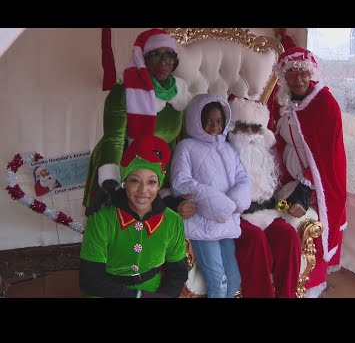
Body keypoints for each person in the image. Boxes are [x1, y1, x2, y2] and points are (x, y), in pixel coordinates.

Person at [268, 47, 347, 298]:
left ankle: (309, 286)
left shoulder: (325, 103)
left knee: (298, 219)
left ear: (311, 73)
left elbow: (326, 156)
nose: (299, 78)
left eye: (303, 73)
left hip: (317, 184)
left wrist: (306, 185)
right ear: (284, 76)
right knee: (274, 211)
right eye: (292, 73)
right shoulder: (279, 100)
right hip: (289, 179)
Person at [83, 28, 189, 216]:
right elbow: (113, 139)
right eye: (155, 55)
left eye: (169, 56)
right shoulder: (124, 90)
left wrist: (170, 181)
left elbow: (171, 142)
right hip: (121, 162)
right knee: (116, 226)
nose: (163, 62)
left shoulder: (179, 93)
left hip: (155, 167)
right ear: (144, 59)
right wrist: (111, 183)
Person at [79, 135, 189, 298]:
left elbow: (177, 273)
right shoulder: (102, 217)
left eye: (151, 182)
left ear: (159, 185)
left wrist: (164, 296)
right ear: (125, 182)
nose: (143, 190)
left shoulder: (172, 221)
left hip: (153, 290)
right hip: (105, 292)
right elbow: (90, 280)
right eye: (135, 181)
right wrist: (138, 296)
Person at [170, 93, 251, 298]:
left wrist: (236, 200)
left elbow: (242, 177)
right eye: (207, 122)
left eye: (218, 121)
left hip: (227, 224)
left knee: (233, 278)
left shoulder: (229, 149)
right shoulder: (186, 147)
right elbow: (181, 182)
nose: (214, 126)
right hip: (202, 225)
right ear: (196, 121)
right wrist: (216, 201)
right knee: (217, 278)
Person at [227, 96, 301, 298]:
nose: (250, 134)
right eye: (244, 127)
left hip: (266, 213)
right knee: (255, 240)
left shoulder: (268, 155)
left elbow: (286, 186)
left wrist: (296, 201)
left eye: (256, 128)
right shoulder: (223, 154)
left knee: (289, 236)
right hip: (235, 217)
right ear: (232, 129)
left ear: (264, 132)